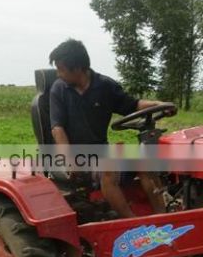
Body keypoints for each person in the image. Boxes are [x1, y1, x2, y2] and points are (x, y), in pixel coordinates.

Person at [49, 39, 166, 218]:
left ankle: (164, 217)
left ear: (78, 67)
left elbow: (133, 104)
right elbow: (57, 129)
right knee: (109, 168)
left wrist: (158, 104)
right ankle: (132, 223)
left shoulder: (104, 86)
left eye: (61, 69)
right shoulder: (59, 90)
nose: (58, 74)